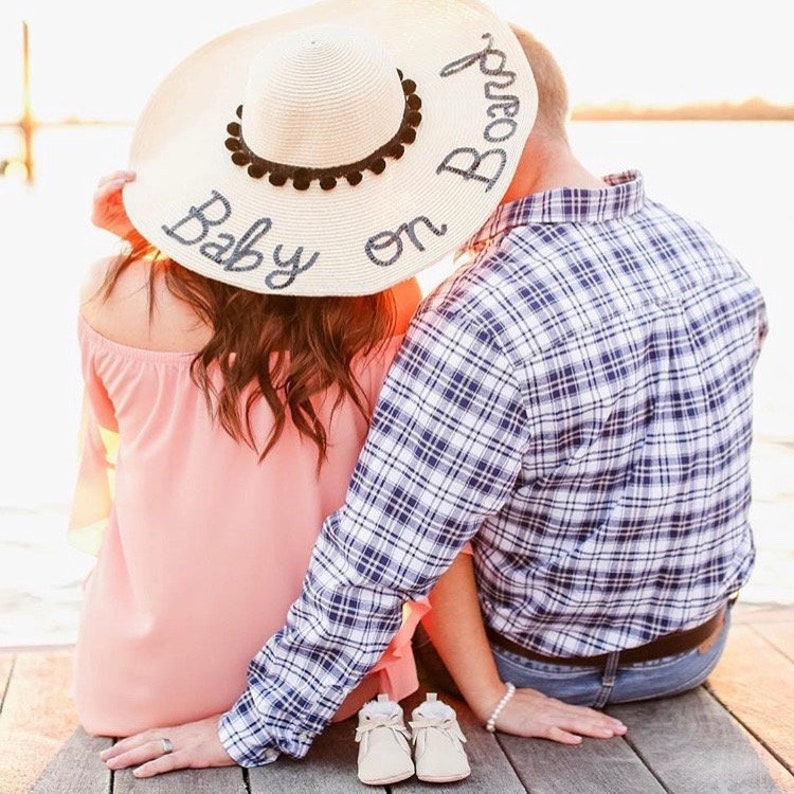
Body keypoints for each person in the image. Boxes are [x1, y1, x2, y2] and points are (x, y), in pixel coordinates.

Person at [103, 8, 771, 780]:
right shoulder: (707, 252)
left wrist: (250, 728)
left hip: (548, 665)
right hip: (695, 646)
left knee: (400, 516)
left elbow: (379, 558)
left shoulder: (479, 317)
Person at [70, 0, 570, 754]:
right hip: (328, 689)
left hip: (131, 684)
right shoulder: (388, 307)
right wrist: (490, 698)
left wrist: (156, 246)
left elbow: (126, 446)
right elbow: (433, 526)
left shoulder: (108, 294)